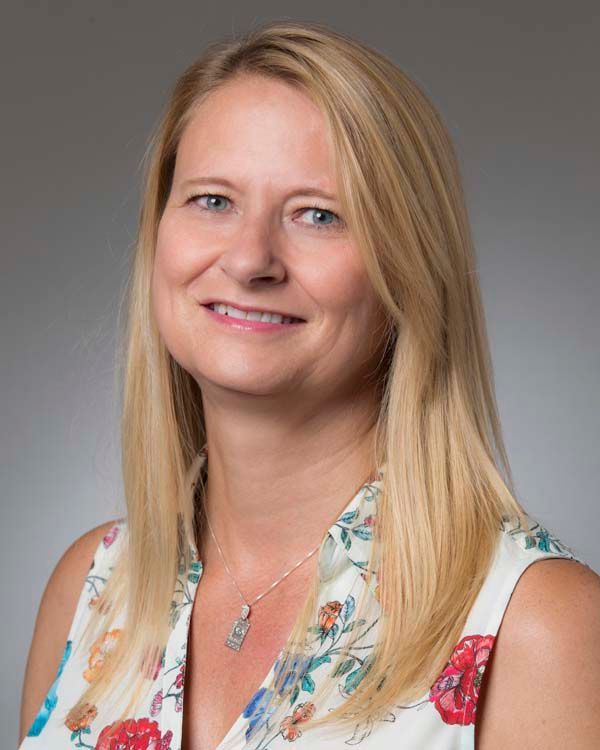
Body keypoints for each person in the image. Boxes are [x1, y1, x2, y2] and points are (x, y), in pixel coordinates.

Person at [18, 19, 600, 750]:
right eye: (213, 200)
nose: (250, 257)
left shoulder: (538, 627)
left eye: (318, 215)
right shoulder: (93, 588)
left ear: (408, 273)